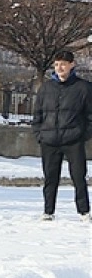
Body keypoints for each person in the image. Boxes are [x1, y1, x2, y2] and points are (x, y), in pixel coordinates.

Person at [32, 49, 92, 221]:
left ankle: (84, 212)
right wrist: (39, 134)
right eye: (57, 64)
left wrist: (82, 135)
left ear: (72, 65)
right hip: (49, 141)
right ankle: (48, 211)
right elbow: (38, 114)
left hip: (73, 140)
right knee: (50, 178)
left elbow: (90, 116)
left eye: (63, 64)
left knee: (78, 176)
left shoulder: (84, 88)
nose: (60, 68)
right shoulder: (46, 87)